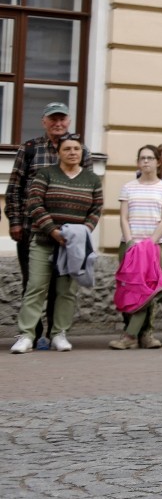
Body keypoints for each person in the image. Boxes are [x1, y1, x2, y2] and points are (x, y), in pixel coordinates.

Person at [11, 133, 100, 354]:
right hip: (43, 241)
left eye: (76, 149)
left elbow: (96, 209)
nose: (72, 153)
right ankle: (26, 335)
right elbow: (34, 203)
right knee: (35, 288)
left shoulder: (92, 179)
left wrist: (81, 232)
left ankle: (59, 334)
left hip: (73, 245)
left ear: (82, 152)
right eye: (67, 149)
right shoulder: (45, 174)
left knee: (66, 291)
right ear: (58, 153)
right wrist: (52, 230)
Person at [6, 101, 74, 344]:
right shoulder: (30, 148)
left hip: (67, 231)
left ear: (68, 121)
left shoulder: (77, 149)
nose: (58, 123)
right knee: (32, 282)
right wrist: (14, 221)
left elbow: (88, 188)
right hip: (30, 228)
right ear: (43, 122)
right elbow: (15, 188)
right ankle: (31, 333)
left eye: (62, 119)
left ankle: (56, 333)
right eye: (52, 119)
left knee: (61, 283)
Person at [109, 145, 162, 350]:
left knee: (150, 291)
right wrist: (130, 242)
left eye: (150, 158)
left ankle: (145, 334)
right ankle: (130, 330)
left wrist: (149, 243)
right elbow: (123, 216)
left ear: (158, 162)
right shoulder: (128, 187)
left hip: (155, 246)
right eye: (142, 158)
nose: (146, 161)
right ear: (138, 162)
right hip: (130, 245)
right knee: (129, 289)